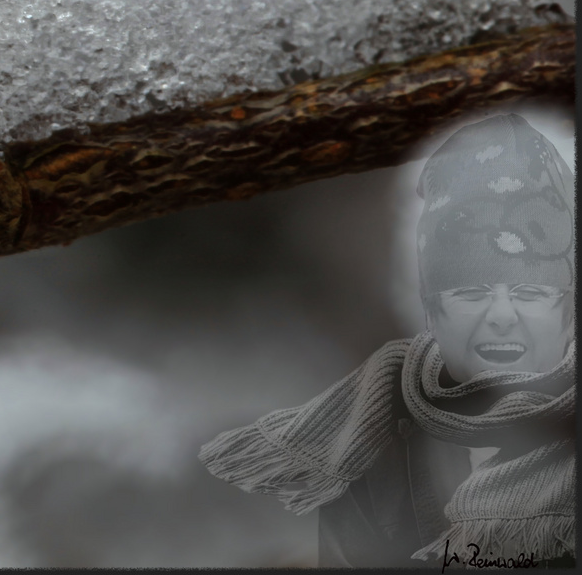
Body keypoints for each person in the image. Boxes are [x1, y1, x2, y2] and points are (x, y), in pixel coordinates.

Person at [200, 113, 576, 568]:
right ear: (432, 310)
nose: (500, 316)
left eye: (530, 292)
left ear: (569, 311)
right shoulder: (366, 436)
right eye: (469, 292)